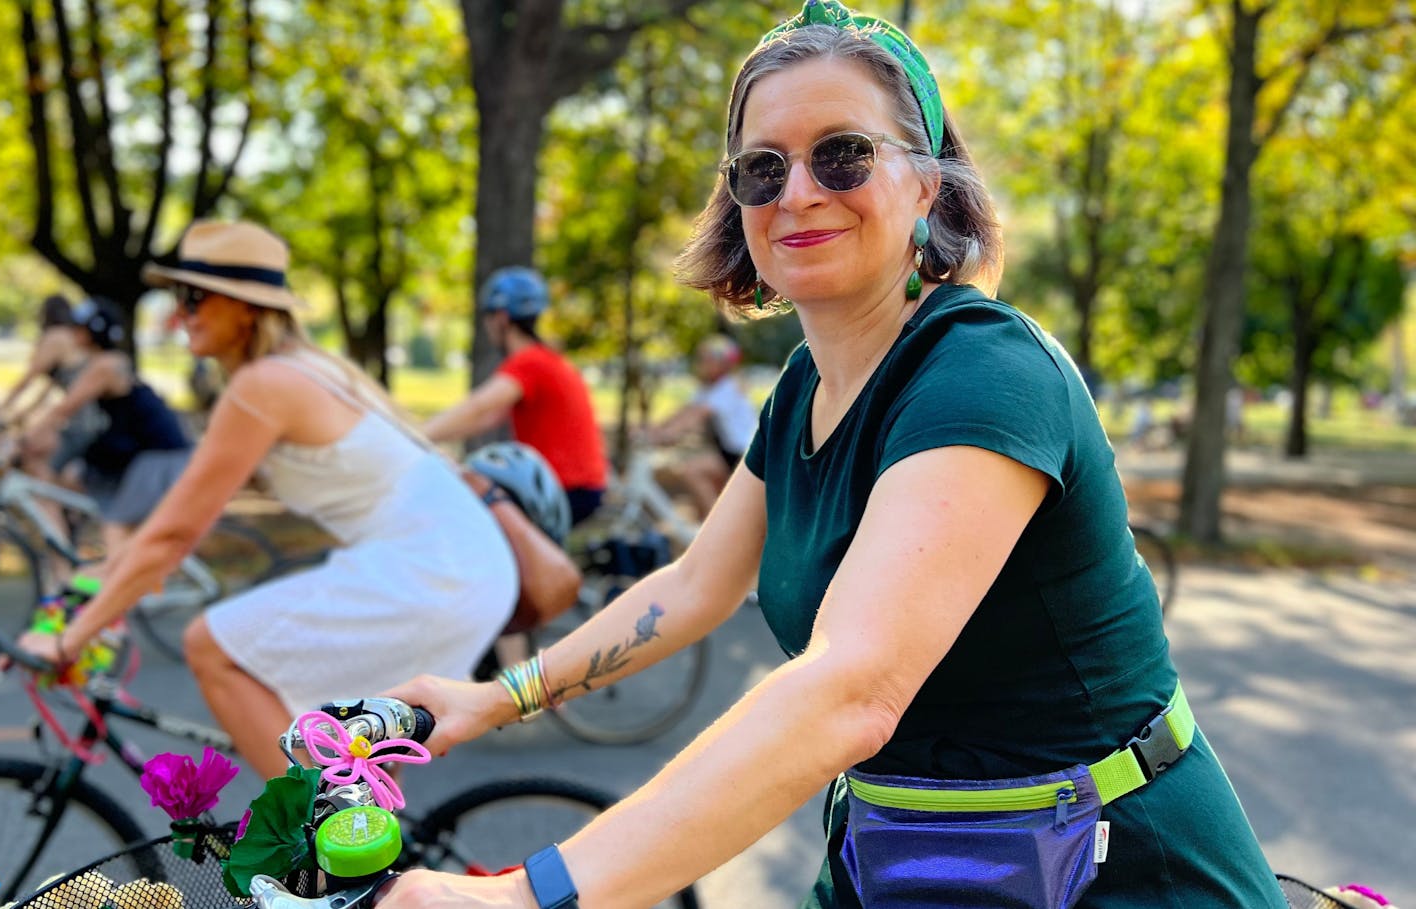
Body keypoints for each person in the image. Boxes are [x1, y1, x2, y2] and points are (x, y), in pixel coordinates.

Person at [378, 3, 1287, 907]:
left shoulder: (986, 370)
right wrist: (497, 698)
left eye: (843, 153)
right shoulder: (807, 384)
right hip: (897, 857)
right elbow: (695, 587)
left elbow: (851, 690)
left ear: (927, 185)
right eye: (762, 168)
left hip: (1113, 872)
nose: (798, 192)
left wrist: (526, 894)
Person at [8, 221, 518, 779]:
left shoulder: (264, 386)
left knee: (211, 647)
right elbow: (181, 523)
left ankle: (326, 843)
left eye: (196, 297)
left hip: (430, 571)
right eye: (178, 296)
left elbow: (171, 537)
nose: (182, 314)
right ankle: (366, 851)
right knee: (359, 768)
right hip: (461, 567)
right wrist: (89, 588)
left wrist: (71, 640)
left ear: (247, 308)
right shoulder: (301, 370)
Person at [422, 266, 609, 526]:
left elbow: (478, 408)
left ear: (501, 317)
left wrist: (415, 435)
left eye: (487, 317)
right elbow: (484, 420)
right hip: (582, 488)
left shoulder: (529, 362)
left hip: (562, 489)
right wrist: (431, 439)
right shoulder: (549, 359)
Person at [21, 298, 191, 555]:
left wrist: (24, 439)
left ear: (92, 334)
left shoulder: (105, 365)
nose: (72, 333)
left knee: (116, 527)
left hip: (159, 455)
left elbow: (66, 407)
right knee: (71, 478)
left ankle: (122, 591)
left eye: (78, 328)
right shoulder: (102, 362)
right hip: (133, 451)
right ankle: (91, 570)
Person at [0, 294, 105, 484]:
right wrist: (20, 415)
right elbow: (45, 391)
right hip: (89, 418)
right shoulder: (72, 337)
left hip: (83, 421)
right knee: (42, 466)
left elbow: (27, 381)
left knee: (31, 460)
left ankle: (49, 510)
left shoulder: (56, 337)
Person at [641, 334, 757, 517]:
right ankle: (712, 523)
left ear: (723, 365)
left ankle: (716, 527)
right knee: (717, 492)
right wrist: (655, 430)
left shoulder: (728, 387)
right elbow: (685, 412)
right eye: (701, 359)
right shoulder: (710, 388)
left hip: (742, 454)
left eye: (707, 360)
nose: (701, 364)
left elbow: (696, 415)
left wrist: (666, 434)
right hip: (727, 451)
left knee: (691, 471)